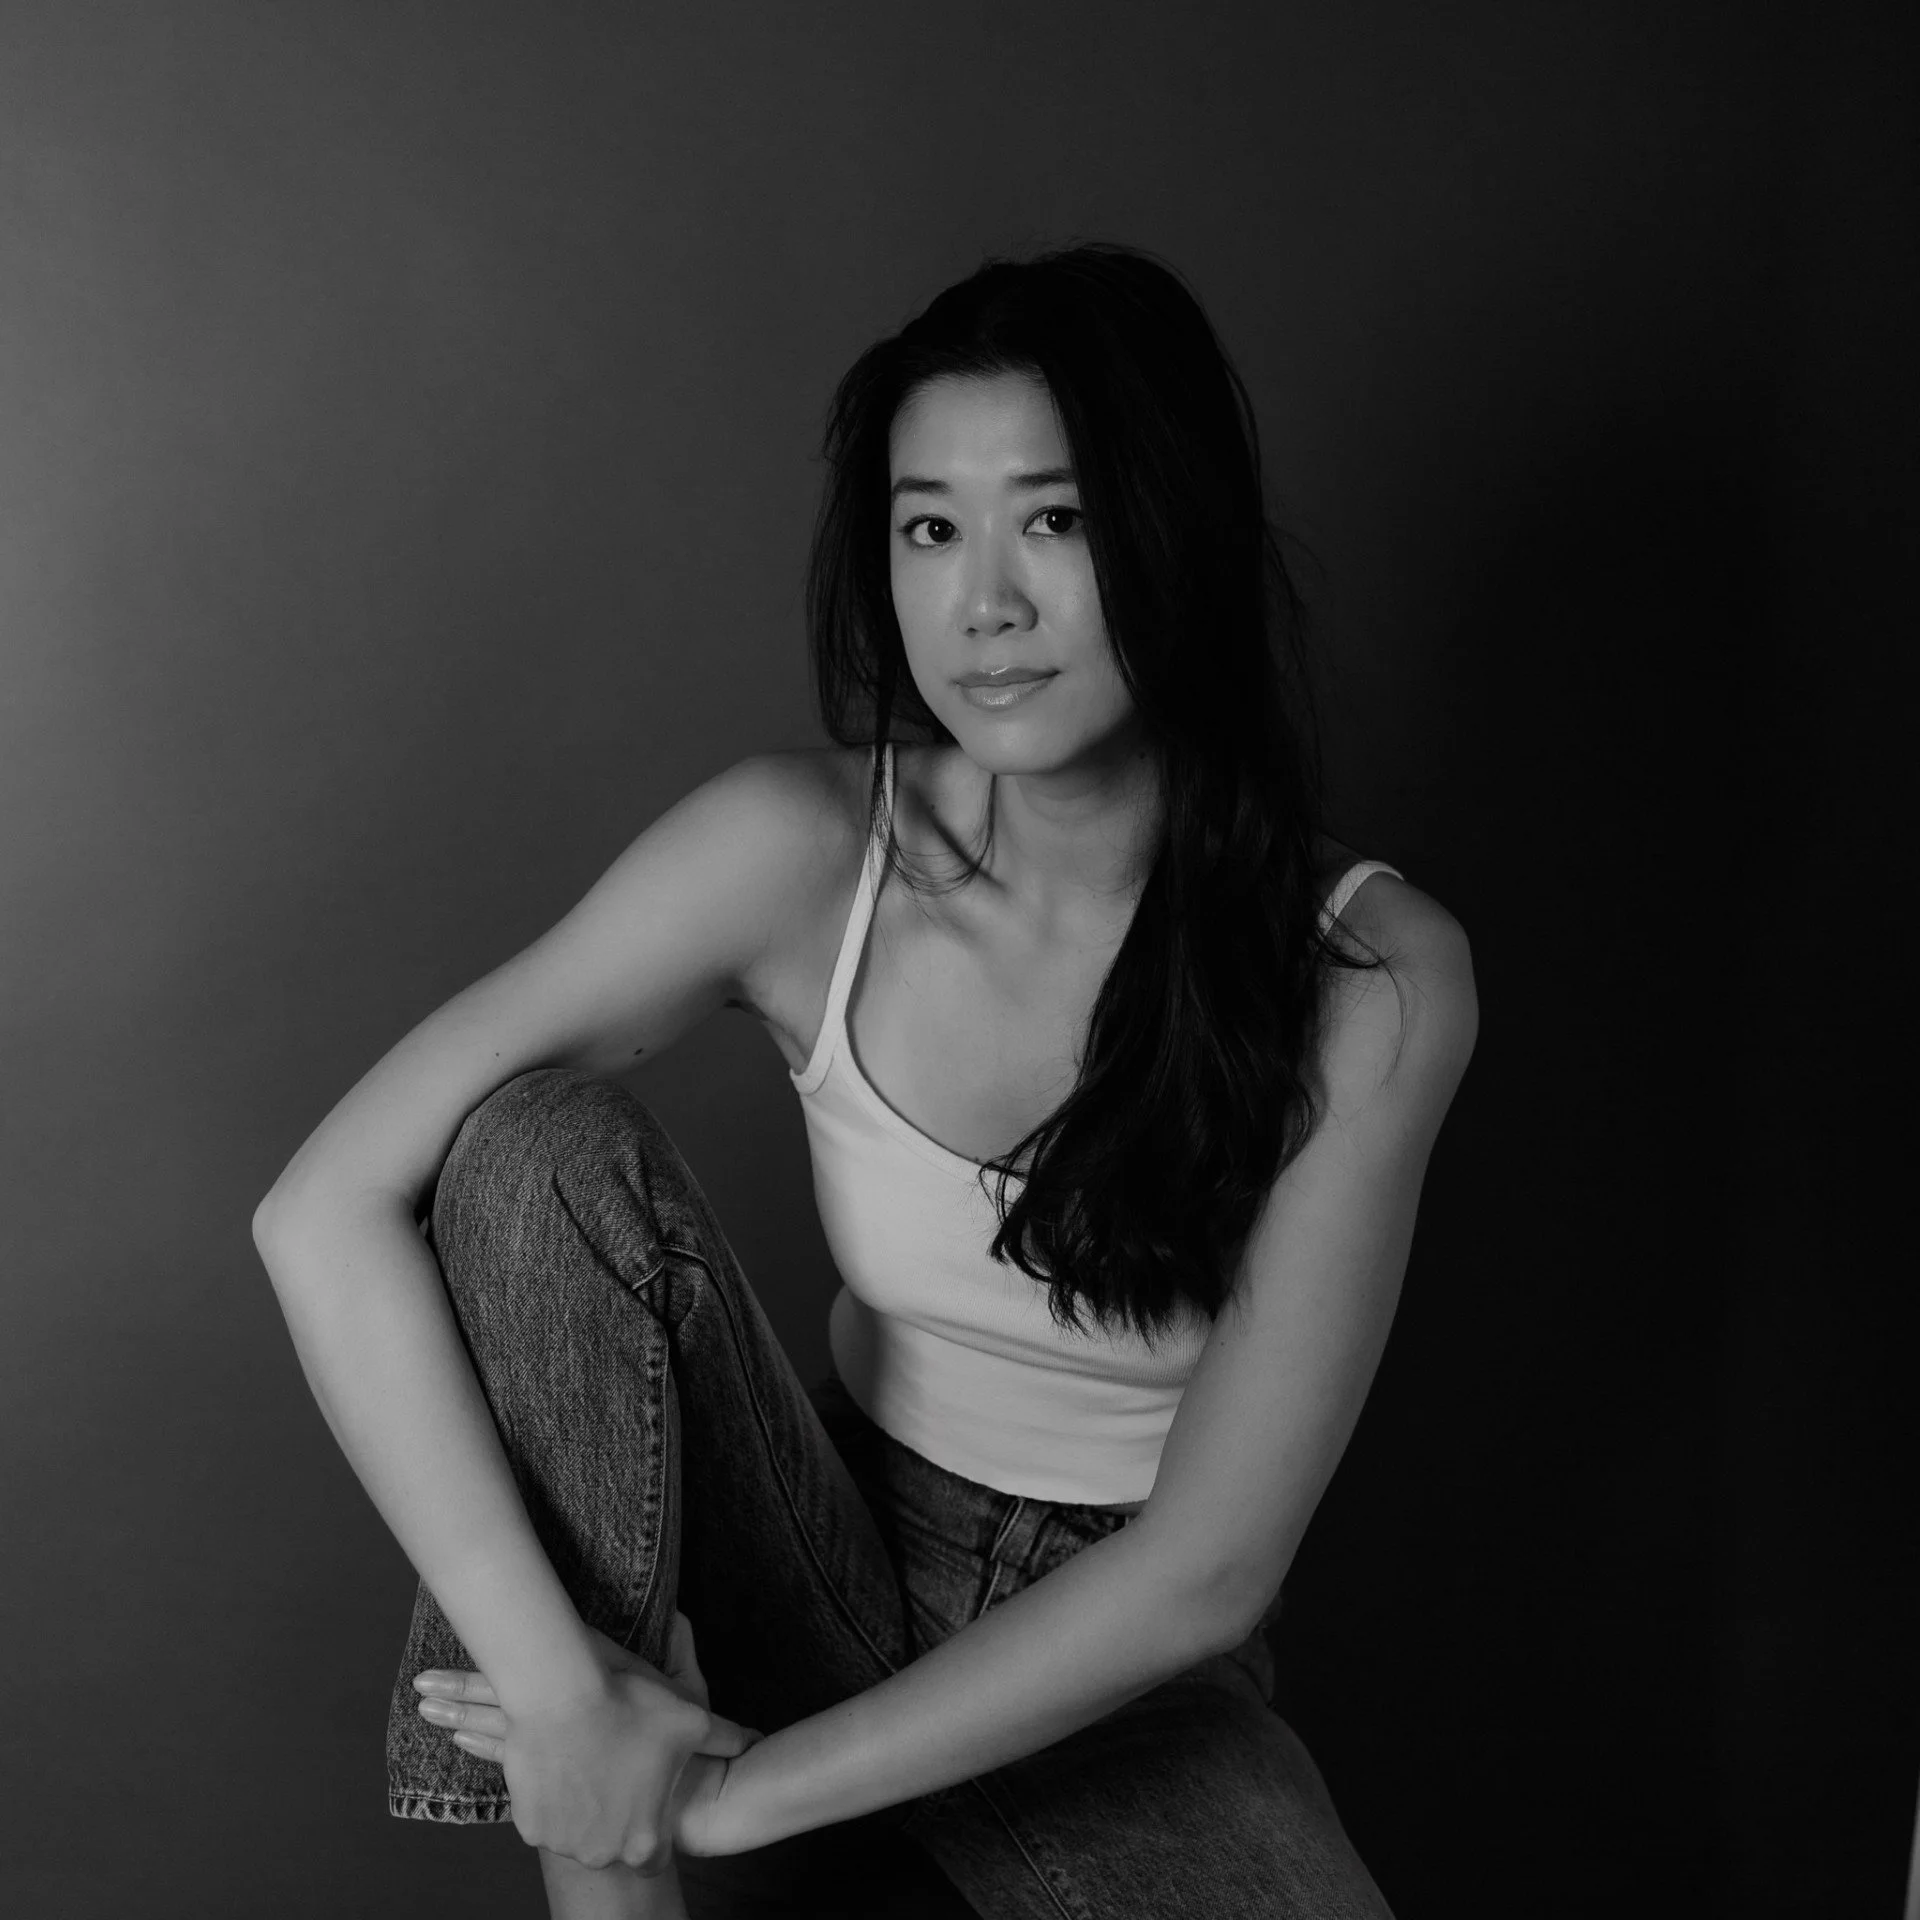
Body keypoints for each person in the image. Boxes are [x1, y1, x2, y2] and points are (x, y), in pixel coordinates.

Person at [253, 241, 1478, 1919]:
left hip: (1114, 1654)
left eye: (1055, 519)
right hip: (814, 1531)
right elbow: (320, 1206)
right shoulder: (801, 848)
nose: (982, 601)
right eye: (929, 525)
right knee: (527, 1146)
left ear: (1175, 533)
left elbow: (1206, 1575)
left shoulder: (1369, 975)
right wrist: (563, 1700)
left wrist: (741, 1796)